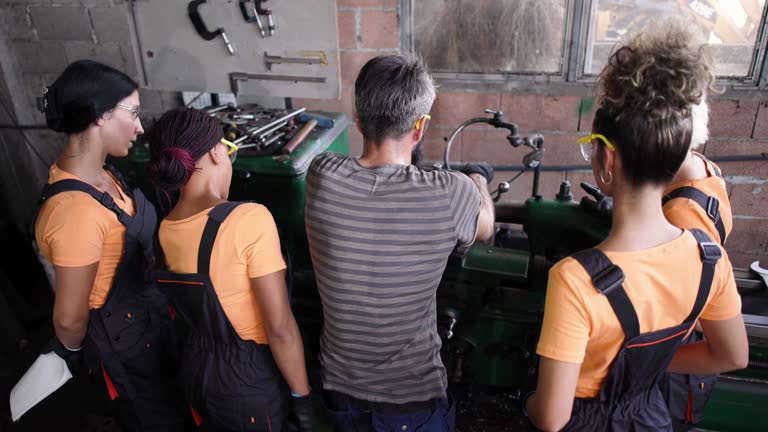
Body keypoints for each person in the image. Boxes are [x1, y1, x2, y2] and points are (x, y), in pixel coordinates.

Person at [525, 24, 748, 431]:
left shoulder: (575, 280)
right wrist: (646, 369)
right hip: (650, 417)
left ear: (607, 160)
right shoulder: (710, 259)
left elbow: (553, 419)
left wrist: (530, 403)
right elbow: (732, 356)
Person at [305, 54, 495, 432]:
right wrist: (478, 181)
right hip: (412, 404)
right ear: (420, 127)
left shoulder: (322, 174)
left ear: (358, 121)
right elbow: (486, 227)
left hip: (339, 397)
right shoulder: (451, 192)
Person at [32, 60, 189, 431]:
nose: (139, 126)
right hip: (128, 346)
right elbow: (70, 320)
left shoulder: (101, 173)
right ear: (100, 116)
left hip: (149, 322)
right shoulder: (74, 213)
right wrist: (70, 357)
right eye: (132, 113)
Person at [147, 108, 316, 432]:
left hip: (197, 371)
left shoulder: (165, 228)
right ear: (214, 152)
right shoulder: (248, 219)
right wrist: (303, 397)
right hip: (247, 382)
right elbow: (279, 327)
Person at [657, 32, 732, 429]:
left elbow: (690, 310)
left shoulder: (683, 213)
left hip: (678, 365)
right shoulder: (705, 169)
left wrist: (646, 358)